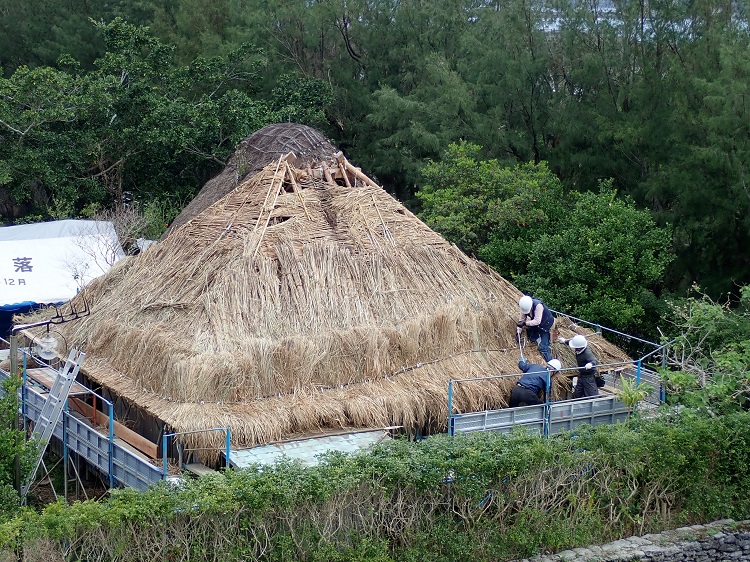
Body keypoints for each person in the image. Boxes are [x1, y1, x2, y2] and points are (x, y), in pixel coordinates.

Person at [516, 295, 555, 362]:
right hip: (537, 324)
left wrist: (525, 323)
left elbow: (537, 321)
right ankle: (538, 339)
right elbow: (521, 320)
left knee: (543, 348)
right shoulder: (524, 307)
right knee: (528, 331)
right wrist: (518, 332)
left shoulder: (538, 306)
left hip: (546, 324)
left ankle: (551, 365)